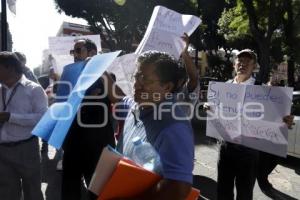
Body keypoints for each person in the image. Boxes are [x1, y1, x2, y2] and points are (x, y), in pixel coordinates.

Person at [104, 51, 194, 199]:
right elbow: (119, 97)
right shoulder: (138, 106)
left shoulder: (174, 127)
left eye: (144, 79)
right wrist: (101, 72)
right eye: (136, 77)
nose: (136, 84)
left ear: (167, 87)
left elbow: (179, 187)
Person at [215, 49, 294, 200]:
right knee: (223, 191)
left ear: (254, 66)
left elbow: (276, 117)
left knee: (244, 193)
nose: (242, 64)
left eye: (247, 61)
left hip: (249, 152)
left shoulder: (262, 89)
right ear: (234, 64)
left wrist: (285, 120)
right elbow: (217, 112)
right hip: (226, 148)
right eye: (239, 60)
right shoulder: (223, 87)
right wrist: (209, 107)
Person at [58, 38, 115, 200]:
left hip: (97, 146)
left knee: (98, 192)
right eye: (73, 51)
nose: (74, 55)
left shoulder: (106, 76)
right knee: (70, 191)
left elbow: (116, 98)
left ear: (92, 53)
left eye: (78, 50)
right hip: (72, 145)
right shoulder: (67, 77)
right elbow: (62, 106)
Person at [0, 52, 47, 200]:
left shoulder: (34, 90)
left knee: (32, 192)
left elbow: (42, 118)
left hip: (26, 148)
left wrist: (10, 117)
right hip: (2, 150)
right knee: (7, 193)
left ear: (10, 68)